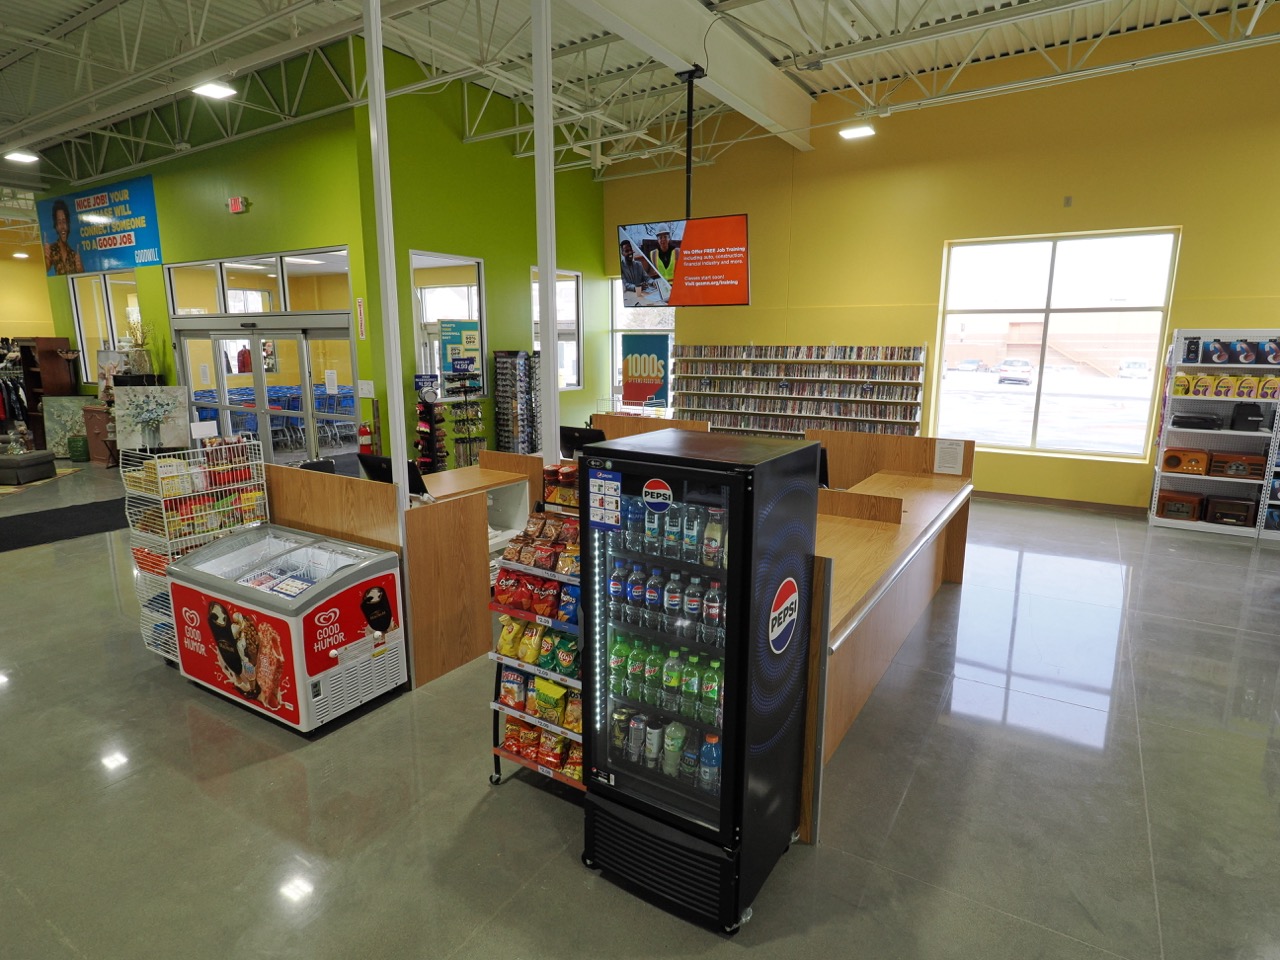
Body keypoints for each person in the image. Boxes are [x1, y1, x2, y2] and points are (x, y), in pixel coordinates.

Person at [44, 199, 84, 276]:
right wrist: (45, 257)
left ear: (68, 225)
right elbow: (46, 268)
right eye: (59, 222)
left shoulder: (73, 255)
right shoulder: (52, 249)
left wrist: (81, 270)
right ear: (56, 226)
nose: (62, 226)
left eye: (64, 221)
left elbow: (82, 278)